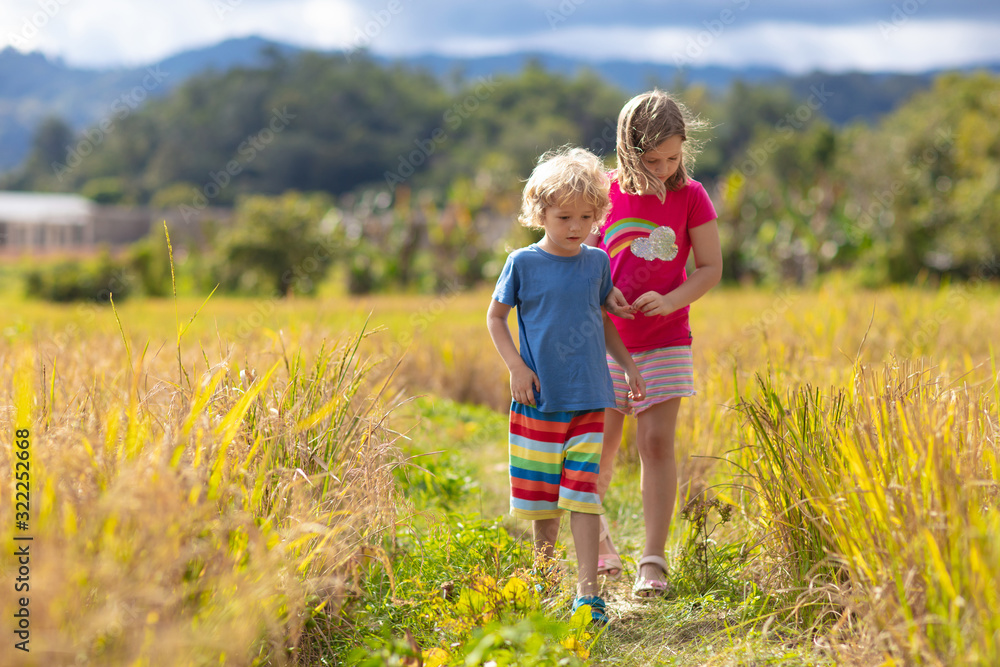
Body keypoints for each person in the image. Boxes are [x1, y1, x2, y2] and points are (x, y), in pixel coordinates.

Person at [487, 146, 645, 625]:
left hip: (590, 398)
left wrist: (628, 364)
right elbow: (495, 318)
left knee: (582, 495)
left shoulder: (597, 263)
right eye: (563, 217)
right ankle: (541, 577)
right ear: (540, 213)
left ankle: (587, 594)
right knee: (542, 500)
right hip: (538, 400)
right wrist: (516, 367)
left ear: (598, 214)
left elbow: (603, 319)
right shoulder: (522, 263)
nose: (575, 226)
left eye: (585, 216)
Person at [585, 89, 723, 598]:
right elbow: (581, 258)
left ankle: (653, 559)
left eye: (673, 156)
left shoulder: (692, 196)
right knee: (599, 448)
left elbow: (709, 268)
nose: (664, 167)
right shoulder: (599, 193)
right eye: (653, 159)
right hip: (602, 341)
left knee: (656, 444)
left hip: (665, 339)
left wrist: (672, 300)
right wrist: (605, 294)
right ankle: (597, 545)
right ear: (627, 150)